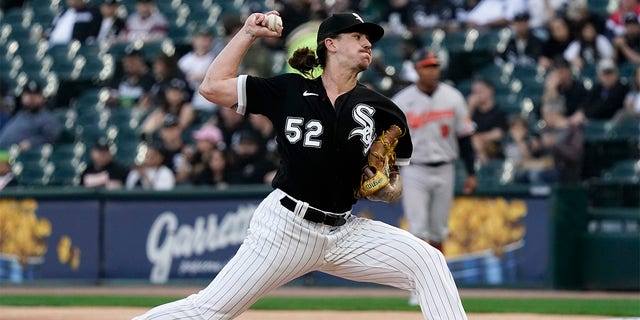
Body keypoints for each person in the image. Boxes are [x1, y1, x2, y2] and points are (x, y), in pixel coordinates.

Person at [133, 11, 467, 320]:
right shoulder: (289, 89)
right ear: (330, 44)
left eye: (369, 39)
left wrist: (385, 188)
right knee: (208, 310)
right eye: (357, 36)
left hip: (344, 231)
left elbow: (393, 181)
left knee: (429, 261)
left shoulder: (383, 109)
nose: (367, 43)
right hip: (286, 227)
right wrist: (248, 32)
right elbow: (211, 87)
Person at [391, 50, 477, 256]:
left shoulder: (453, 97)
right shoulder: (402, 101)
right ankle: (419, 281)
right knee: (417, 230)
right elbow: (391, 142)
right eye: (427, 66)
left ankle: (438, 278)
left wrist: (471, 172)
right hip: (414, 169)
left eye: (435, 66)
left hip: (445, 167)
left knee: (439, 230)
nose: (432, 71)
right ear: (417, 69)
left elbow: (464, 138)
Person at [0, 80, 62, 150]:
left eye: (35, 95)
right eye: (28, 94)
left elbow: (52, 137)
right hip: (4, 153)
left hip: (21, 157)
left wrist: (31, 142)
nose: (31, 98)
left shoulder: (47, 118)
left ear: (42, 97)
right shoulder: (20, 115)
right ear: (23, 97)